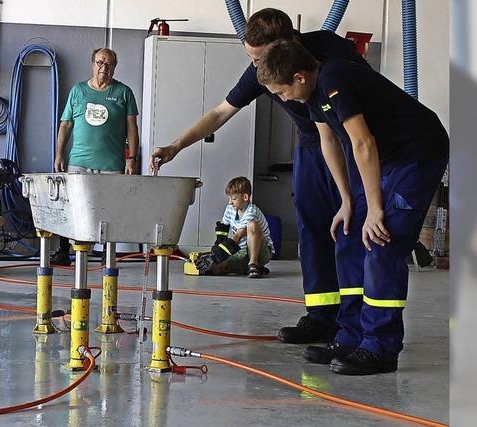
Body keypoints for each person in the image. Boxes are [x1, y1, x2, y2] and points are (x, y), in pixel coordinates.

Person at [150, 8, 368, 344]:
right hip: (312, 149)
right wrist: (176, 146)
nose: (256, 68)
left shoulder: (330, 50)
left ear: (285, 46)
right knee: (313, 231)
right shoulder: (260, 71)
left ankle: (353, 324)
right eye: (251, 59)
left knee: (351, 228)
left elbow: (368, 99)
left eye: (259, 58)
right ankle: (321, 316)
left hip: (349, 143)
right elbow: (219, 112)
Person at [256, 39, 449, 375]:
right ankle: (351, 335)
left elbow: (362, 142)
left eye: (282, 92)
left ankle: (380, 347)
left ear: (299, 77)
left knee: (381, 242)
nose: (283, 99)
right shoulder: (312, 93)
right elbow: (329, 141)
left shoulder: (334, 80)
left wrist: (375, 209)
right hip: (384, 158)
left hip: (416, 154)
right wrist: (347, 201)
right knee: (348, 236)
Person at [51, 47, 140, 265]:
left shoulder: (124, 92)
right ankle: (64, 251)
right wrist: (59, 154)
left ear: (114, 68)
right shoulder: (78, 90)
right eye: (100, 62)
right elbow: (66, 124)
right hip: (79, 162)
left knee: (110, 209)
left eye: (109, 64)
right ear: (93, 64)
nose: (104, 68)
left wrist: (132, 158)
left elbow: (132, 127)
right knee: (70, 206)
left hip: (111, 163)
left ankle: (107, 254)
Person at [195, 176, 274, 278]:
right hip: (240, 251)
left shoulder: (251, 212)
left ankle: (254, 264)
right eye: (229, 198)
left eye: (233, 198)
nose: (230, 202)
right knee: (213, 269)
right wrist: (215, 252)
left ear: (245, 197)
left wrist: (216, 257)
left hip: (262, 252)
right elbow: (222, 229)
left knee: (252, 225)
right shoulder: (230, 209)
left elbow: (237, 237)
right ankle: (249, 268)